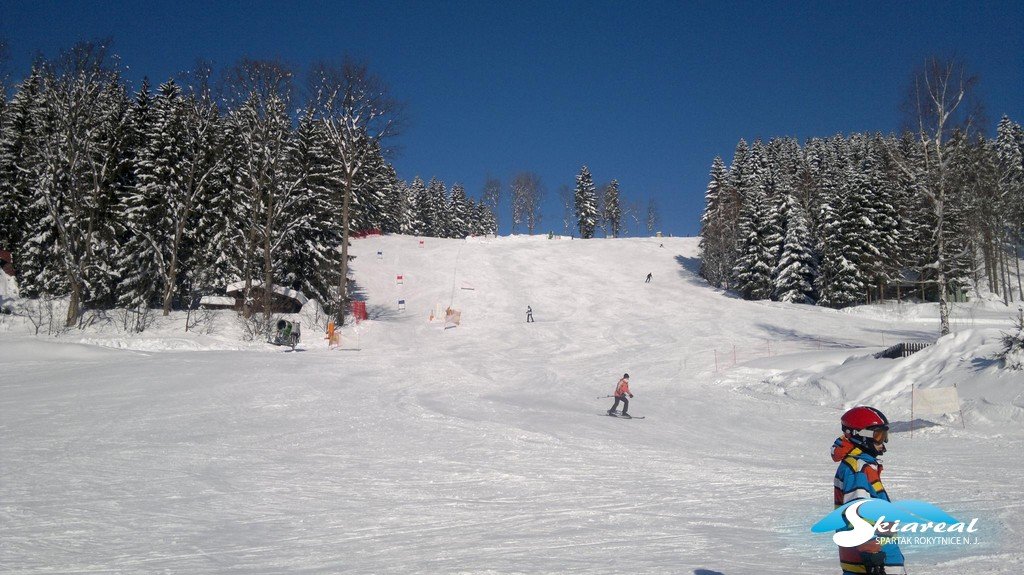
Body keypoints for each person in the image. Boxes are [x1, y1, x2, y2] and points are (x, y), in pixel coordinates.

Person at [831, 406, 904, 575]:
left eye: (884, 435)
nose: (883, 441)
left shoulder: (864, 466)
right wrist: (872, 554)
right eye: (878, 435)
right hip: (870, 563)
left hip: (879, 558)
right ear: (859, 435)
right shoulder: (857, 468)